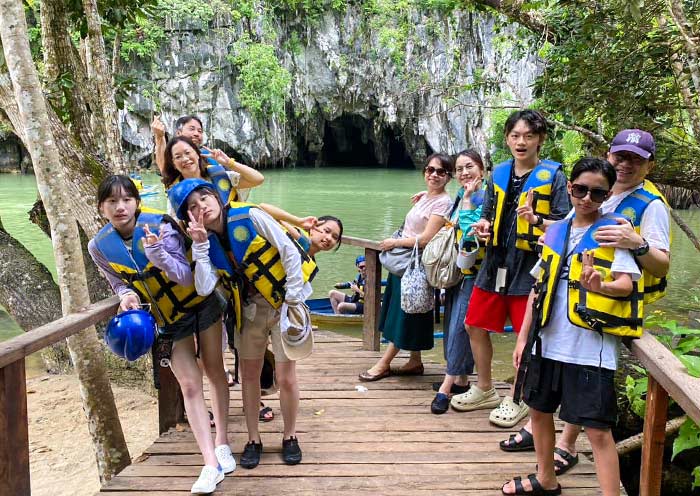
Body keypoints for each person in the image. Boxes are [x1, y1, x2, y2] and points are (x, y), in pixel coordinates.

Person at [499, 129, 672, 479]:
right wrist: (536, 222)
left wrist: (635, 243)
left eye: (636, 159)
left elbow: (662, 264)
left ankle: (566, 445)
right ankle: (555, 454)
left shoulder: (650, 206)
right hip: (559, 322)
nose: (625, 164)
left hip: (604, 310)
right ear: (608, 156)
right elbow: (572, 229)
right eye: (620, 156)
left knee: (595, 420)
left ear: (649, 165)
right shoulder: (599, 199)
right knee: (543, 404)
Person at [88, 175, 235, 494]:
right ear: (101, 208)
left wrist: (158, 254)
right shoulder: (98, 246)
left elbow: (186, 275)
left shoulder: (162, 225)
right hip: (168, 318)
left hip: (201, 301)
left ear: (137, 203)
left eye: (126, 199)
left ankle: (222, 441)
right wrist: (125, 294)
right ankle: (210, 463)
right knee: (189, 385)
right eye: (112, 202)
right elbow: (116, 281)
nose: (120, 207)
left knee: (214, 370)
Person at [168, 178, 317, 471]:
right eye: (193, 207)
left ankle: (290, 436)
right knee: (249, 376)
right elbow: (204, 286)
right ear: (188, 217)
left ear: (216, 197)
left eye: (205, 199)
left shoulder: (249, 215)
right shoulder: (204, 242)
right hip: (248, 311)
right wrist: (198, 246)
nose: (202, 207)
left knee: (287, 376)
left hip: (284, 301)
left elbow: (287, 250)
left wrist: (293, 298)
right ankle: (253, 439)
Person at [450, 110, 570, 425]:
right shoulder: (499, 173)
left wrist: (537, 221)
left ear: (540, 140)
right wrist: (484, 225)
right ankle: (485, 387)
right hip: (494, 263)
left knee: (525, 334)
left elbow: (566, 224)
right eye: (515, 135)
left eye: (529, 135)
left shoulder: (554, 177)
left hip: (529, 265)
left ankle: (518, 397)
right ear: (507, 139)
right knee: (473, 324)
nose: (521, 142)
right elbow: (488, 210)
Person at [358, 153, 455, 381]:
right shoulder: (428, 197)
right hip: (404, 265)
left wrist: (394, 242)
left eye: (441, 172)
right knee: (409, 312)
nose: (434, 175)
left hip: (415, 266)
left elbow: (426, 239)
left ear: (449, 177)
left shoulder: (443, 203)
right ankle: (415, 361)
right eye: (430, 170)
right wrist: (426, 196)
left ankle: (383, 364)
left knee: (406, 316)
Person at [430, 150, 485, 414]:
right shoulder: (462, 194)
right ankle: (462, 380)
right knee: (453, 320)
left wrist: (468, 201)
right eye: (460, 168)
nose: (464, 173)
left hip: (475, 272)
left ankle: (446, 386)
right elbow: (452, 226)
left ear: (482, 171)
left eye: (470, 167)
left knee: (461, 326)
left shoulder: (484, 197)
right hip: (457, 271)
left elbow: (470, 231)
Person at [154, 115, 264, 202]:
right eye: (192, 129)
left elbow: (255, 179)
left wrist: (230, 163)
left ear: (197, 155)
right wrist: (159, 137)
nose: (196, 134)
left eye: (200, 131)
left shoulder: (212, 158)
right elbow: (164, 168)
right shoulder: (175, 174)